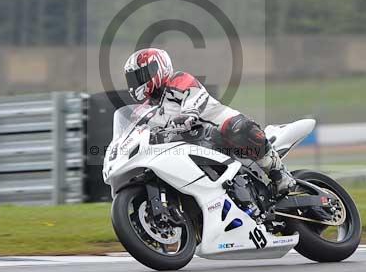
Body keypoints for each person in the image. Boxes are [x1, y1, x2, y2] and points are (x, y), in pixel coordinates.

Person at [123, 47, 296, 195]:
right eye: (134, 78)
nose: (137, 81)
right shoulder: (143, 110)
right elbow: (135, 132)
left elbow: (193, 96)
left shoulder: (179, 80)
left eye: (141, 75)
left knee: (236, 127)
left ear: (158, 68)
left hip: (217, 129)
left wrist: (189, 113)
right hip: (188, 146)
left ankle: (279, 173)